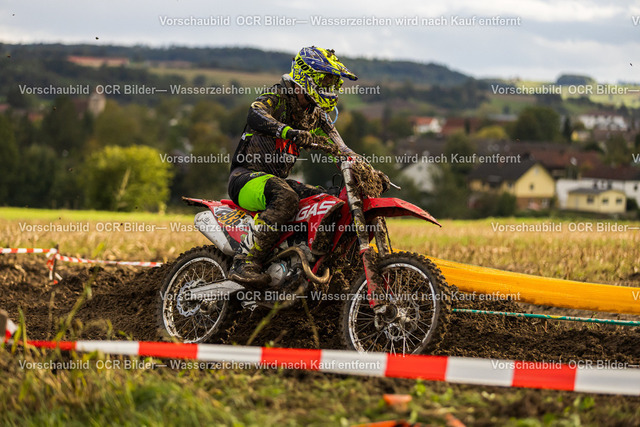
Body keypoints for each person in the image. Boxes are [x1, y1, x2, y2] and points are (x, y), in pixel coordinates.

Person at [227, 46, 358, 287]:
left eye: (333, 82)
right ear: (307, 76)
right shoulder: (278, 96)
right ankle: (245, 261)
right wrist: (288, 132)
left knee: (328, 202)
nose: (330, 87)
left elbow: (342, 149)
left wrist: (364, 168)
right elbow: (255, 113)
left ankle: (302, 263)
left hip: (277, 182)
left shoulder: (315, 115)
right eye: (325, 81)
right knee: (286, 197)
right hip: (245, 178)